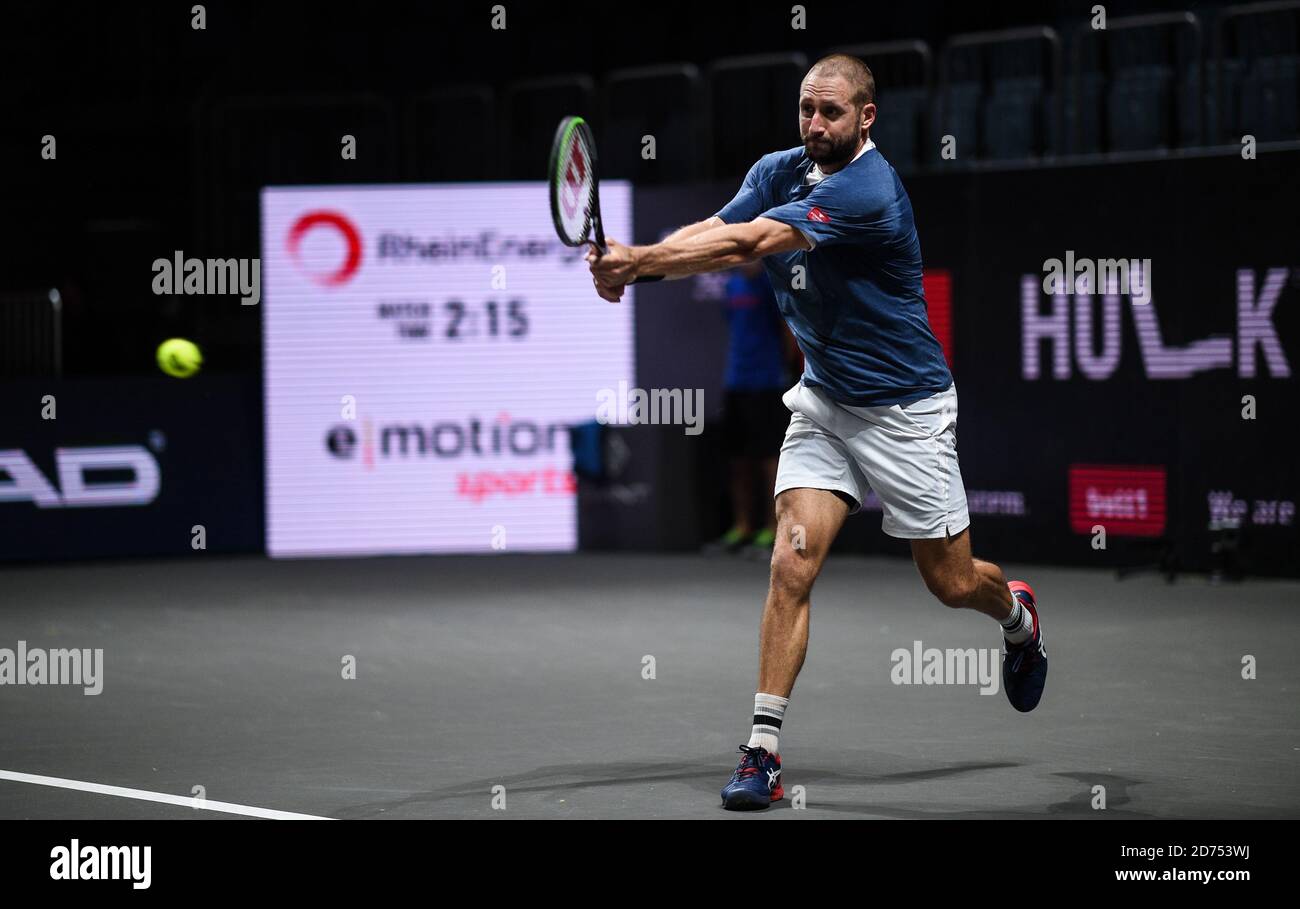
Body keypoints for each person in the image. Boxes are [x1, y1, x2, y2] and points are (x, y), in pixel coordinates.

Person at [587, 54, 1047, 811]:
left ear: (866, 117)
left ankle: (1019, 618)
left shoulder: (869, 191)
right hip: (826, 405)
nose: (814, 124)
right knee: (791, 565)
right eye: (806, 108)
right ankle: (762, 752)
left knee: (952, 582)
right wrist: (643, 265)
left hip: (906, 412)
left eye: (830, 112)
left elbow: (746, 248)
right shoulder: (780, 168)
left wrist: (635, 263)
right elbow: (720, 226)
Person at [708, 260, 799, 557]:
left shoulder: (770, 284)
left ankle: (772, 531)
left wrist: (789, 370)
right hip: (736, 380)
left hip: (769, 380)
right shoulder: (732, 284)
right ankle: (743, 527)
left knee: (770, 460)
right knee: (738, 460)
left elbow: (787, 328)